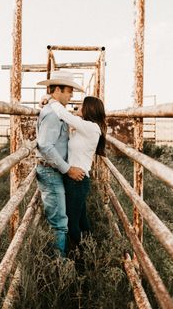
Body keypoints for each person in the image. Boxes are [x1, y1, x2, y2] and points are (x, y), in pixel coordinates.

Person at [36, 71, 85, 257]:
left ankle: (59, 260)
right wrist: (68, 169)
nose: (71, 95)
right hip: (51, 171)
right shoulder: (52, 115)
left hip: (53, 171)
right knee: (59, 222)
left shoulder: (55, 111)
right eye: (69, 91)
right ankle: (59, 268)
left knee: (59, 219)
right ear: (57, 90)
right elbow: (45, 146)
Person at [47, 96, 107, 248]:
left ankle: (76, 256)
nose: (78, 107)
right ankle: (90, 252)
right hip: (75, 179)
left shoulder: (91, 127)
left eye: (82, 105)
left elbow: (64, 115)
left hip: (77, 180)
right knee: (81, 220)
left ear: (89, 109)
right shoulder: (85, 128)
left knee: (71, 221)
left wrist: (50, 100)